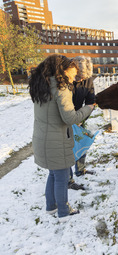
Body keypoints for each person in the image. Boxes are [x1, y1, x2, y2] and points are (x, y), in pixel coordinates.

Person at [28, 54, 95, 221]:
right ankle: (64, 210)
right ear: (63, 70)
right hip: (56, 141)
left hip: (43, 139)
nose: (72, 80)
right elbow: (70, 118)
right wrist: (89, 108)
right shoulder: (60, 88)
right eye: (71, 75)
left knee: (54, 174)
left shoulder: (42, 85)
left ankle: (51, 207)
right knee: (62, 176)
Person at [68, 56, 96, 191]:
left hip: (80, 117)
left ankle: (80, 169)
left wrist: (81, 119)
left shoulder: (88, 80)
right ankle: (68, 180)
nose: (80, 80)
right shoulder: (65, 79)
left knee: (82, 143)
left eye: (83, 78)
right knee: (67, 150)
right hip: (64, 118)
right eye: (78, 77)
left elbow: (91, 101)